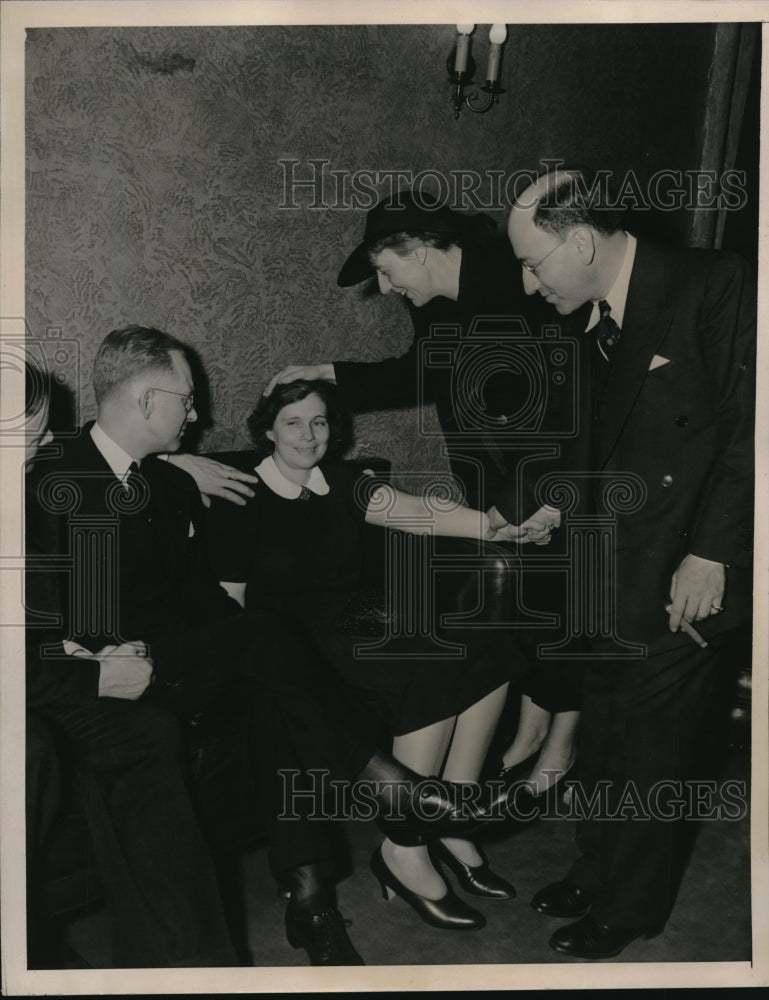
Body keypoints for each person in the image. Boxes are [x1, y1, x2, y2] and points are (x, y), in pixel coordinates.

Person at [31, 325, 515, 966]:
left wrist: (235, 639)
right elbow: (44, 615)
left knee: (270, 683)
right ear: (147, 401)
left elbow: (201, 597)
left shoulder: (171, 485)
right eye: (186, 399)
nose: (196, 415)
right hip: (111, 670)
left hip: (181, 656)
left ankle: (312, 903)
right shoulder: (47, 473)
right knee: (264, 638)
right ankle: (388, 787)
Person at [494, 166, 755, 958]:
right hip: (610, 561)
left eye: (532, 264)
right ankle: (596, 868)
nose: (528, 284)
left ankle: (631, 905)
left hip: (689, 563)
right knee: (605, 727)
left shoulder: (714, 283)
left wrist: (710, 554)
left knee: (652, 745)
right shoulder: (591, 316)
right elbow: (592, 440)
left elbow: (752, 431)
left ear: (580, 243)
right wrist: (549, 505)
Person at [262, 190, 582, 803]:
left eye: (387, 271)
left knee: (567, 594)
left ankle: (560, 741)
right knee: (526, 595)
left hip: (554, 472)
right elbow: (422, 371)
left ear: (421, 249)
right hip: (493, 478)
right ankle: (535, 724)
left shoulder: (522, 281)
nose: (385, 289)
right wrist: (329, 373)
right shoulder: (432, 304)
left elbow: (570, 404)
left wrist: (543, 494)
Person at [207, 378, 529, 931]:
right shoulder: (243, 497)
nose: (308, 435)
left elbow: (420, 512)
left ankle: (452, 818)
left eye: (319, 421)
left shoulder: (343, 481)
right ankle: (405, 847)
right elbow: (230, 607)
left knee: (492, 647)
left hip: (354, 626)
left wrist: (502, 526)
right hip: (291, 648)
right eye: (292, 423)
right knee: (427, 668)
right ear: (267, 432)